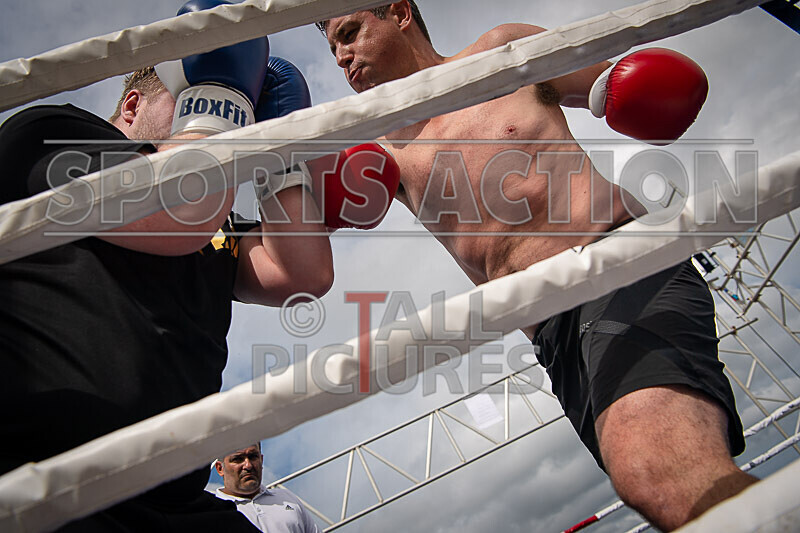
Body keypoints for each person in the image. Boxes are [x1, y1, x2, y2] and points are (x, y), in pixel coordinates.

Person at [317, 2, 758, 530]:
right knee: (662, 488)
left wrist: (632, 88)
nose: (342, 57)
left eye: (349, 33)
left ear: (399, 12)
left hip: (619, 266)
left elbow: (617, 84)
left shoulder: (501, 53)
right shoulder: (382, 151)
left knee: (654, 469)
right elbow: (311, 244)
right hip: (552, 334)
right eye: (333, 49)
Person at [0, 0, 340, 530]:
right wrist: (223, 100)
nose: (220, 129)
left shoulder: (212, 218)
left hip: (175, 497)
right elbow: (178, 211)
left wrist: (279, 149)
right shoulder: (51, 132)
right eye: (186, 104)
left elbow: (303, 274)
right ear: (131, 106)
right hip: (48, 481)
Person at [214, 443, 320, 532]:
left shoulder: (286, 498)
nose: (248, 465)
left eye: (253, 456)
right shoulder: (212, 512)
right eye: (237, 459)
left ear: (262, 459)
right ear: (220, 468)